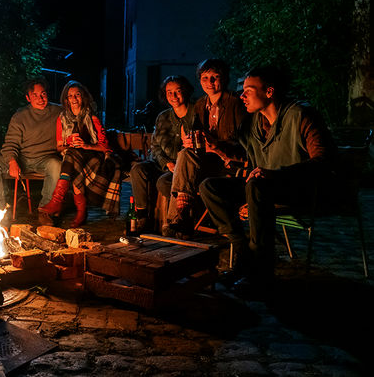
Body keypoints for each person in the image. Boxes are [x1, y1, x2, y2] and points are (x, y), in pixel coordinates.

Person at [200, 66, 336, 291]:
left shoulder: (301, 116)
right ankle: (243, 252)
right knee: (210, 187)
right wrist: (218, 148)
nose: (242, 96)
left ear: (269, 91)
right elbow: (246, 156)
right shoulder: (255, 122)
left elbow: (324, 161)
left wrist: (277, 174)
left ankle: (261, 272)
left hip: (298, 189)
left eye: (248, 90)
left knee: (256, 186)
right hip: (262, 187)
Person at [164, 59, 247, 236]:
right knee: (184, 153)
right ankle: (183, 217)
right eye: (205, 78)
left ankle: (176, 221)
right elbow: (196, 132)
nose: (209, 83)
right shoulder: (201, 105)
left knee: (180, 168)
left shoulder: (236, 104)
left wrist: (216, 145)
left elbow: (245, 143)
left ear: (224, 79)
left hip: (227, 163)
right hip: (206, 161)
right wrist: (190, 140)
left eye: (215, 77)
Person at [39, 80, 122, 227]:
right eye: (70, 96)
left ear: (83, 97)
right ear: (66, 99)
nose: (74, 99)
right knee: (72, 156)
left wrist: (86, 145)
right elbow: (59, 147)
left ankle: (57, 201)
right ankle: (81, 213)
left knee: (72, 158)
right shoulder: (62, 119)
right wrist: (69, 143)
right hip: (73, 158)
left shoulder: (92, 118)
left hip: (93, 157)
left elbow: (105, 147)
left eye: (77, 95)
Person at [0, 79, 63, 224]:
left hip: (45, 159)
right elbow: (11, 143)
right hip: (22, 159)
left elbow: (79, 112)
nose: (40, 99)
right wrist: (12, 161)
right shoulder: (20, 116)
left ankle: (45, 211)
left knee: (56, 165)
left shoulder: (58, 112)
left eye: (43, 94)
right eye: (35, 95)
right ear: (28, 98)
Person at [129, 75, 195, 232]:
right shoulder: (163, 117)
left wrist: (176, 165)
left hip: (183, 169)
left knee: (163, 182)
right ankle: (143, 217)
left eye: (177, 91)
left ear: (185, 91)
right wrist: (166, 162)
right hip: (162, 163)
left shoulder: (195, 114)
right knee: (138, 169)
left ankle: (178, 219)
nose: (173, 96)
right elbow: (155, 146)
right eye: (169, 92)